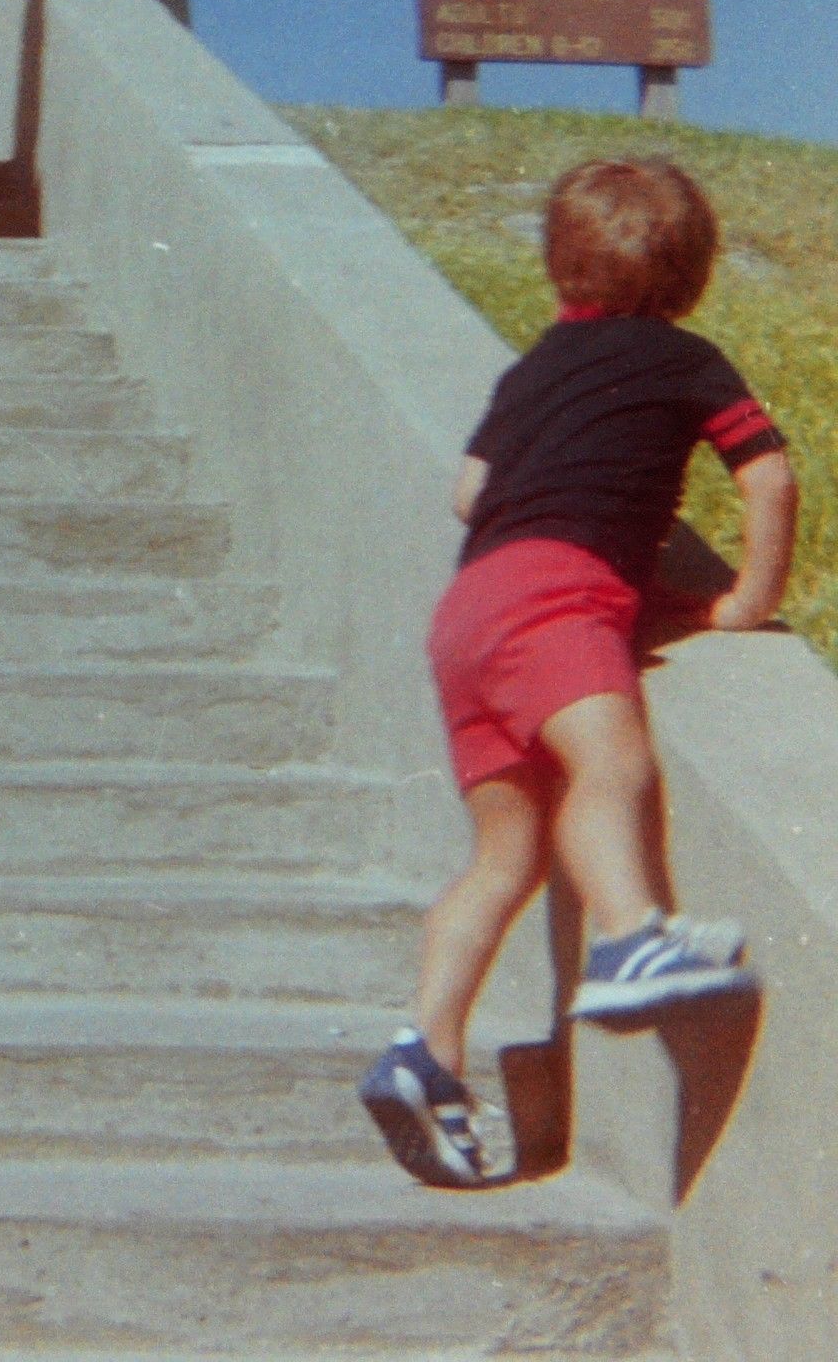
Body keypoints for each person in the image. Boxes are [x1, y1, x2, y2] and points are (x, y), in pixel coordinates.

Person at [360, 157, 797, 1189]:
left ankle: (424, 1045)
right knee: (611, 761)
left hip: (465, 615)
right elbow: (767, 474)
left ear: (559, 264)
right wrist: (740, 599)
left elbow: (470, 493)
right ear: (690, 269)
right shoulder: (686, 359)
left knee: (501, 857)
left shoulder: (531, 368)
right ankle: (628, 935)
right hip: (559, 593)